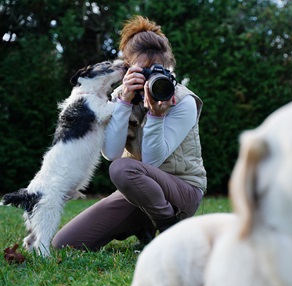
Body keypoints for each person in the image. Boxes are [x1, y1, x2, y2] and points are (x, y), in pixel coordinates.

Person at [52, 15, 207, 251]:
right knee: (65, 244)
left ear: (169, 67)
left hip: (181, 192)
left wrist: (156, 114)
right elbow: (112, 152)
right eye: (143, 71)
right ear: (128, 68)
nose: (151, 78)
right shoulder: (121, 96)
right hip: (136, 190)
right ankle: (143, 225)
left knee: (122, 169)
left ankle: (170, 229)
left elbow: (153, 161)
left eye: (159, 70)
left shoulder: (182, 100)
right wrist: (124, 102)